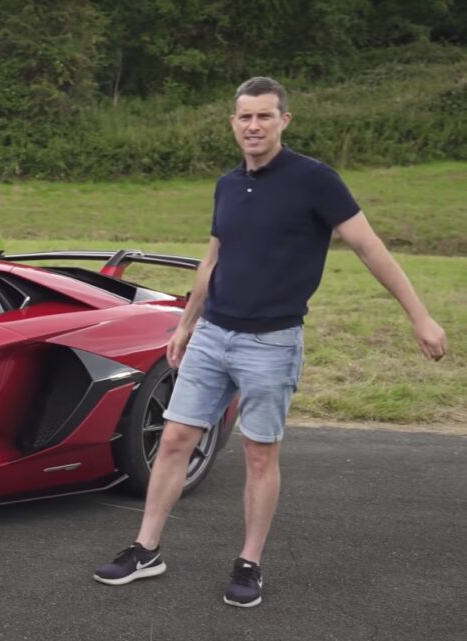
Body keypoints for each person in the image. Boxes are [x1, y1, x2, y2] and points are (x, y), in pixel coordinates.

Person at [91, 76, 448, 607]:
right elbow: (213, 259)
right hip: (212, 334)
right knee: (174, 439)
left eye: (264, 115)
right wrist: (187, 324)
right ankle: (146, 550)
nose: (254, 125)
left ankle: (249, 563)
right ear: (233, 123)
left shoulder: (315, 180)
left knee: (259, 454)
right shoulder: (227, 185)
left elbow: (370, 249)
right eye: (245, 116)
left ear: (284, 120)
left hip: (272, 343)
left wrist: (420, 317)